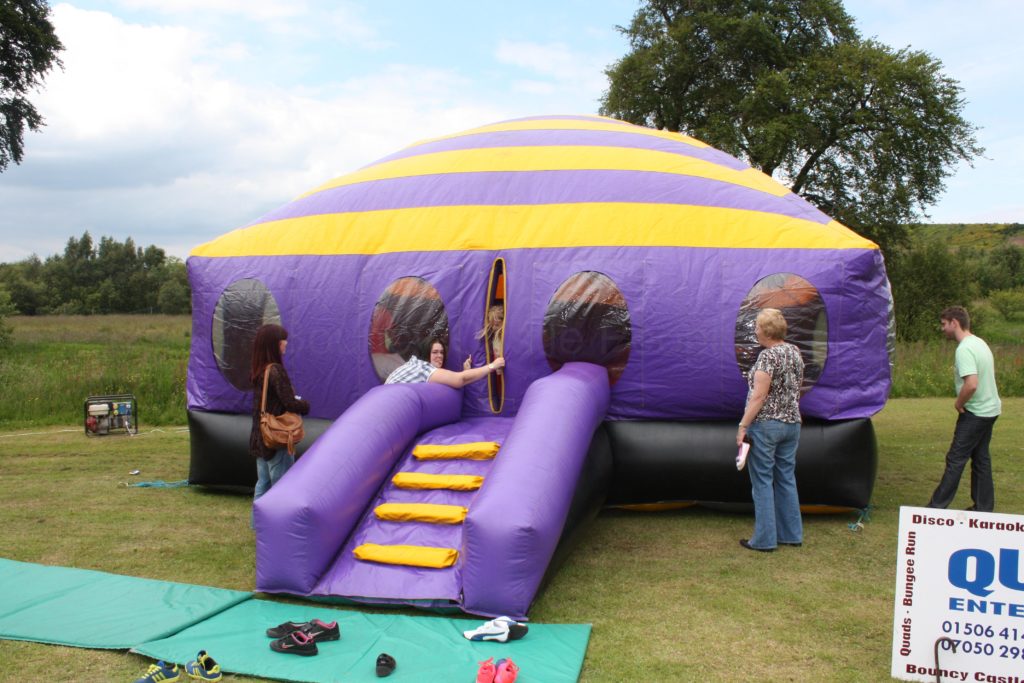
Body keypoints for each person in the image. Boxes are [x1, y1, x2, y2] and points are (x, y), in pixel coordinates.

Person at [736, 308, 805, 552]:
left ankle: (764, 539)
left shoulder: (767, 357)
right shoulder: (795, 353)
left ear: (765, 331)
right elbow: (796, 389)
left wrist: (743, 425)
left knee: (762, 481)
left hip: (766, 425)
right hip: (792, 423)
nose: (754, 330)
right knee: (786, 477)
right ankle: (791, 533)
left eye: (756, 327)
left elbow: (759, 396)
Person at [927, 306, 1001, 512]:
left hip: (976, 413)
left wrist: (959, 403)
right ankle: (984, 508)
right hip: (991, 410)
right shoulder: (980, 343)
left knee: (955, 459)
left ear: (955, 323)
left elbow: (972, 384)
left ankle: (936, 508)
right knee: (981, 458)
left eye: (944, 324)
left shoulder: (965, 349)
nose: (942, 329)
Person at [250, 324, 309, 522]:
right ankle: (280, 527)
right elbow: (289, 402)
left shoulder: (260, 370)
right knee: (283, 486)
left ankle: (259, 526)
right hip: (277, 438)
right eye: (283, 340)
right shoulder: (276, 371)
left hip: (261, 436)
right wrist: (304, 405)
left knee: (263, 483)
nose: (286, 344)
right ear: (274, 344)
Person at [385, 338, 504, 387]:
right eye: (435, 352)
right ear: (427, 354)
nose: (439, 356)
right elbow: (459, 380)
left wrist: (466, 371)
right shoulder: (422, 368)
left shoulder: (412, 365)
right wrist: (492, 366)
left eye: (441, 352)